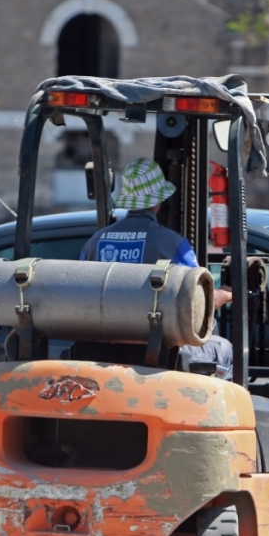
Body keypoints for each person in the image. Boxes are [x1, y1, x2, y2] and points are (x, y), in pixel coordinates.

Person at [81, 157, 233, 378]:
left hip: (102, 350)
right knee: (226, 350)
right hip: (159, 352)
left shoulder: (95, 241)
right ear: (158, 201)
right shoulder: (172, 244)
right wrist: (225, 294)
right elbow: (199, 302)